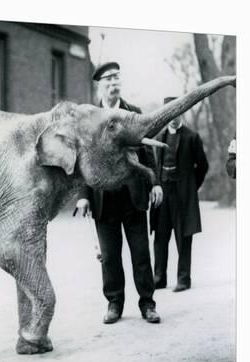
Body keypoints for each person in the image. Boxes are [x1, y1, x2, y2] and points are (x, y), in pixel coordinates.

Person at [76, 62, 163, 324]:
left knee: (140, 254)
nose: (114, 83)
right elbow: (82, 160)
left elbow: (147, 151)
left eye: (117, 78)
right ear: (99, 85)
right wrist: (83, 195)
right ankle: (114, 303)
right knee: (110, 257)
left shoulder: (133, 113)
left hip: (132, 194)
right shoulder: (88, 117)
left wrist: (155, 182)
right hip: (103, 198)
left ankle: (147, 303)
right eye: (108, 79)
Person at [151, 98, 209, 292]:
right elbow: (155, 166)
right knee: (160, 237)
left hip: (183, 195)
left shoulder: (192, 137)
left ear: (182, 112)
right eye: (170, 114)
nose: (174, 119)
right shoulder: (159, 138)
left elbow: (202, 166)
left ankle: (184, 279)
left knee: (184, 237)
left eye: (177, 113)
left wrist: (191, 187)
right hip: (162, 195)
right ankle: (159, 277)